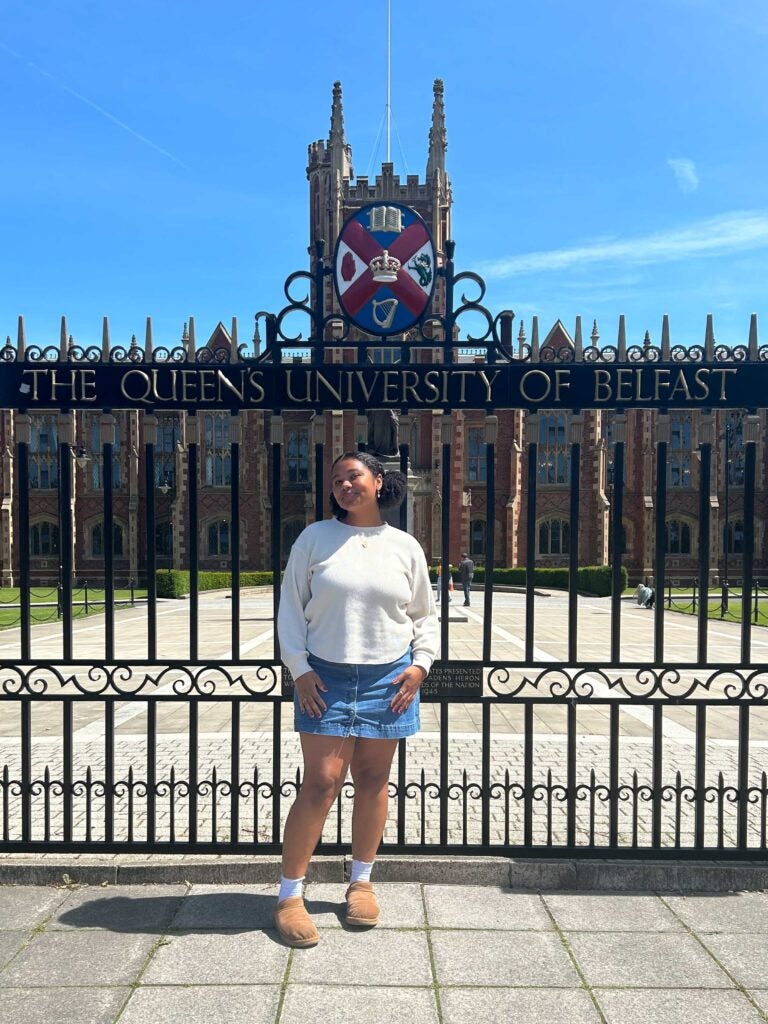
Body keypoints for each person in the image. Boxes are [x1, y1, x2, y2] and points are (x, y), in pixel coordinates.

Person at [275, 450, 439, 948]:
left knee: (373, 780)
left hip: (388, 677)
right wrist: (299, 670)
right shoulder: (315, 538)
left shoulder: (404, 546)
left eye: (354, 476)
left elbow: (424, 614)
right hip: (323, 675)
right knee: (321, 783)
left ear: (378, 481)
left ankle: (361, 882)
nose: (345, 486)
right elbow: (290, 608)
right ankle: (289, 894)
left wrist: (421, 663)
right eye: (337, 480)